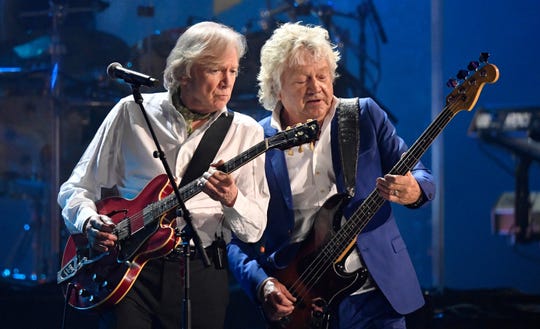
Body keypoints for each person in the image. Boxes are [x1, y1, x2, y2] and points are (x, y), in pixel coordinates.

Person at [58, 21, 269, 329]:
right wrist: (88, 221)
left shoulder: (246, 131)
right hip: (125, 268)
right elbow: (76, 187)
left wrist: (232, 198)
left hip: (201, 270)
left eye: (233, 71)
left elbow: (254, 230)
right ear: (184, 72)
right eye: (215, 70)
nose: (227, 82)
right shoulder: (131, 112)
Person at [227, 22, 436, 328]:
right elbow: (234, 236)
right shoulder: (255, 140)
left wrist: (414, 188)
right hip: (302, 303)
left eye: (322, 76)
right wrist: (262, 284)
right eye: (301, 81)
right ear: (275, 88)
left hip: (375, 294)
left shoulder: (363, 116)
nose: (316, 88)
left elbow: (420, 173)